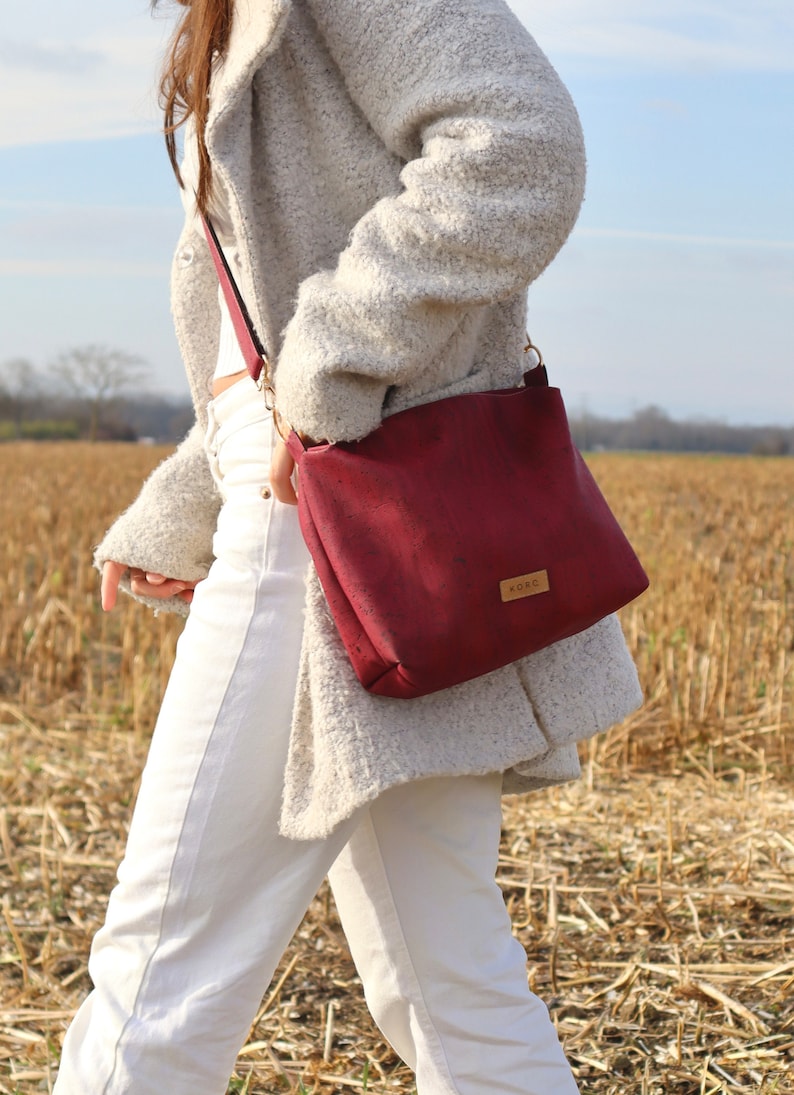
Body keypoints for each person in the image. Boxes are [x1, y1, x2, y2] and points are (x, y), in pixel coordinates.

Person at [53, 1, 643, 1092]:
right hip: (331, 503)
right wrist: (193, 490)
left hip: (333, 526)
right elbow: (262, 297)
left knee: (161, 971)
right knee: (448, 981)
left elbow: (519, 144)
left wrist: (328, 367)